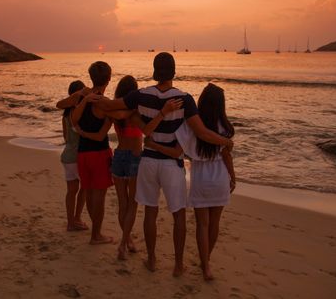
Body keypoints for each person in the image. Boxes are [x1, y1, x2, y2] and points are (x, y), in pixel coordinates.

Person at [96, 52, 234, 277]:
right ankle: (178, 265)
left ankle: (151, 260)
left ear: (154, 70)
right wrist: (226, 141)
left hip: (148, 161)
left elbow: (112, 105)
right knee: (178, 215)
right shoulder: (184, 99)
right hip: (171, 164)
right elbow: (201, 132)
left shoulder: (140, 95)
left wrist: (92, 96)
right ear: (174, 71)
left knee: (150, 211)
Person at [145, 83, 236, 281]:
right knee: (215, 224)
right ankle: (206, 263)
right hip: (220, 176)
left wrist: (153, 145)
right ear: (221, 105)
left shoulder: (190, 125)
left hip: (201, 178)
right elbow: (227, 156)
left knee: (202, 224)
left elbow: (176, 152)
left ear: (201, 102)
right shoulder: (226, 128)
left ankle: (205, 266)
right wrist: (232, 176)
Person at [108, 75, 182, 260]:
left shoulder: (117, 113)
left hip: (118, 156)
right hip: (134, 157)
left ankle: (127, 241)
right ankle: (123, 245)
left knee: (122, 204)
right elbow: (148, 129)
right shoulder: (137, 111)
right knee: (132, 205)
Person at [70, 61, 114, 245]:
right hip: (99, 154)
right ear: (109, 79)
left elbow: (74, 120)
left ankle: (95, 233)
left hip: (83, 155)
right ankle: (96, 235)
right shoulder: (105, 104)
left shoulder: (82, 99)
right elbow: (100, 136)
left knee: (88, 193)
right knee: (99, 196)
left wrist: (85, 100)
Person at [58, 80, 89, 232]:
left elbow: (66, 137)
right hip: (77, 156)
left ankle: (71, 222)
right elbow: (83, 135)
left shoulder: (65, 115)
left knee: (71, 191)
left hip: (66, 155)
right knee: (84, 188)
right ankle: (77, 218)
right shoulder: (78, 113)